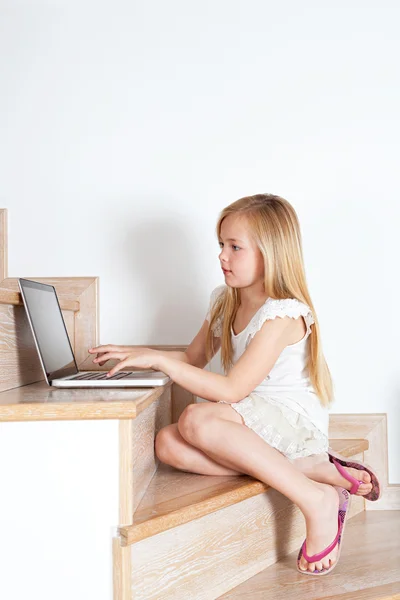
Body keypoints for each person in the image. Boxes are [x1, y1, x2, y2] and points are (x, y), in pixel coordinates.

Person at [88, 193, 380, 576]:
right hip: (247, 421)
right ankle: (302, 468)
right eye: (221, 245)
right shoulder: (225, 301)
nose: (222, 256)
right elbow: (192, 359)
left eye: (235, 247)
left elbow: (231, 391)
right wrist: (141, 353)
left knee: (196, 420)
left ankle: (316, 498)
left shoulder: (284, 313)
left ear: (270, 253)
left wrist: (159, 361)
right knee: (167, 444)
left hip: (289, 421)